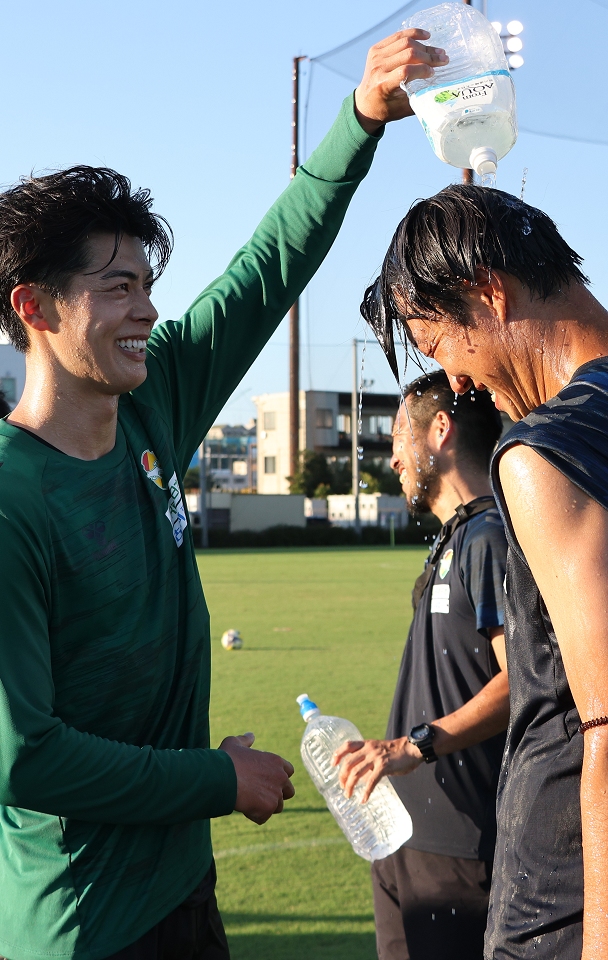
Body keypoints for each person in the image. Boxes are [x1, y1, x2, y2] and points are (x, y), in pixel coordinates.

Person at [0, 28, 450, 960]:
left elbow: (263, 271)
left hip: (182, 888)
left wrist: (360, 120)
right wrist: (215, 779)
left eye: (148, 284)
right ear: (33, 308)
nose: (147, 309)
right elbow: (24, 756)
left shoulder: (153, 400)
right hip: (84, 927)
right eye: (117, 287)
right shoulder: (11, 500)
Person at [360, 183, 608, 959]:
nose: (458, 382)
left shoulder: (544, 451)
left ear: (488, 293)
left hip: (564, 899)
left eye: (438, 344)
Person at [334, 369, 508, 960]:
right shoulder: (455, 539)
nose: (392, 460)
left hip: (460, 848)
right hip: (403, 834)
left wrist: (414, 745)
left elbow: (524, 682)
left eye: (397, 438)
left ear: (440, 430)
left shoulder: (489, 537)